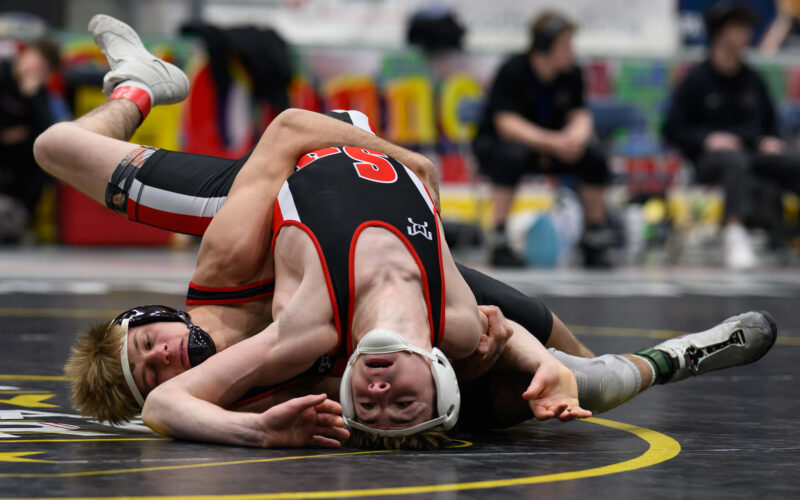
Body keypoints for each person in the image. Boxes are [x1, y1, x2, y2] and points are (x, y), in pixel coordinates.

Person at [36, 16, 778, 450]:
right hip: (398, 260)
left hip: (286, 189)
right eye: (156, 371)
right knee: (547, 367)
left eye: (147, 346)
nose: (165, 358)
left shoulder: (225, 271)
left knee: (56, 147)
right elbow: (464, 334)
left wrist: (407, 161)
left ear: (152, 316)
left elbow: (288, 132)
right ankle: (657, 363)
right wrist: (523, 357)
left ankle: (138, 84)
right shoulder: (277, 381)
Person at [664, 2, 800, 269]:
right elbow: (672, 128)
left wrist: (772, 140)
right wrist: (708, 139)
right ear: (719, 33)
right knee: (734, 160)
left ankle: (790, 235)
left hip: (753, 151)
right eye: (738, 28)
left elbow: (770, 124)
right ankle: (734, 232)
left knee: (793, 162)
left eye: (746, 28)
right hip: (711, 159)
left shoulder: (753, 79)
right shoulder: (696, 81)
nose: (745, 35)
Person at [472, 11, 612, 268]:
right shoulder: (514, 70)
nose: (571, 51)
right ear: (546, 46)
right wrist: (553, 141)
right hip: (509, 145)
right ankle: (499, 235)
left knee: (593, 156)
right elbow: (506, 124)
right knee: (510, 156)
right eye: (565, 45)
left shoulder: (572, 74)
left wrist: (576, 138)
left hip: (554, 147)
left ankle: (595, 234)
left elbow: (580, 114)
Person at [0, 38, 59, 242]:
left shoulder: (38, 92)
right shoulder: (3, 73)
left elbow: (45, 132)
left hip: (19, 157)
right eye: (35, 59)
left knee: (42, 164)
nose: (34, 67)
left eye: (41, 67)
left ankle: (17, 221)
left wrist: (32, 96)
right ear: (25, 54)